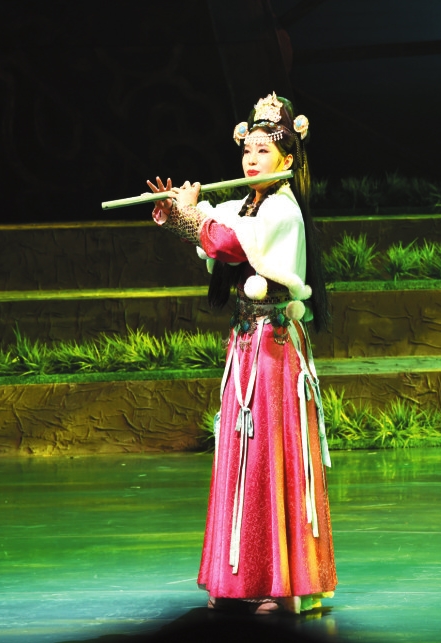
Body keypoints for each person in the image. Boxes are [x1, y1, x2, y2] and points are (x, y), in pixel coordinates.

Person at [146, 93, 336, 613]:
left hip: (274, 351)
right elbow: (214, 227)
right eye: (247, 149)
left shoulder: (281, 209)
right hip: (246, 346)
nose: (251, 159)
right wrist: (178, 212)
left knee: (272, 457)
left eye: (263, 150)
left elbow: (227, 243)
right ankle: (238, 579)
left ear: (287, 160)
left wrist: (193, 216)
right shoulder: (247, 204)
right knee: (242, 456)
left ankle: (282, 582)